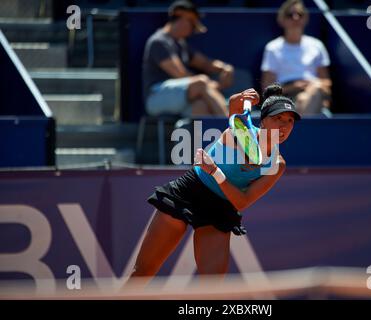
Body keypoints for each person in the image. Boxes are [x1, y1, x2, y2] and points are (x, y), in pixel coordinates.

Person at [127, 84, 300, 284]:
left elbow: (242, 202)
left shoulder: (277, 164)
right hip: (190, 191)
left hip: (220, 208)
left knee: (212, 289)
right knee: (142, 273)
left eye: (290, 121)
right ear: (263, 120)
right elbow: (235, 106)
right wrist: (241, 95)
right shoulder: (242, 130)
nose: (284, 126)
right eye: (278, 118)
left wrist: (215, 172)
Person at [142, 0, 234, 117]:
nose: (192, 29)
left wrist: (225, 68)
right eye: (191, 23)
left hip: (179, 99)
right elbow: (180, 74)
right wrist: (213, 85)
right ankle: (230, 128)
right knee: (201, 82)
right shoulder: (159, 42)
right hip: (156, 98)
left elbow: (205, 63)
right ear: (179, 18)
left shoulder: (181, 44)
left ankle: (205, 135)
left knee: (201, 105)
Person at [261, 0, 332, 115]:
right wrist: (294, 87)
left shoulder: (317, 45)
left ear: (305, 19)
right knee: (304, 98)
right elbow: (267, 88)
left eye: (300, 14)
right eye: (290, 15)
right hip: (285, 98)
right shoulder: (272, 48)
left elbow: (326, 82)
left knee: (310, 94)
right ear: (281, 19)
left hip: (314, 92)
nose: (295, 18)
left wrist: (312, 87)